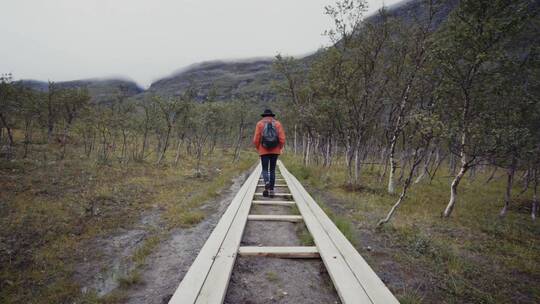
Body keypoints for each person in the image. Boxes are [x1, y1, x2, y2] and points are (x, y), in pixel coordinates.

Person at [252, 109, 286, 197]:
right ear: (272, 116)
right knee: (272, 170)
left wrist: (258, 148)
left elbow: (256, 139)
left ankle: (266, 182)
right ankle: (271, 190)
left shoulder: (259, 124)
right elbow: (282, 138)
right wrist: (280, 147)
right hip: (275, 150)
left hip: (263, 150)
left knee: (264, 169)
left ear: (264, 116)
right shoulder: (278, 124)